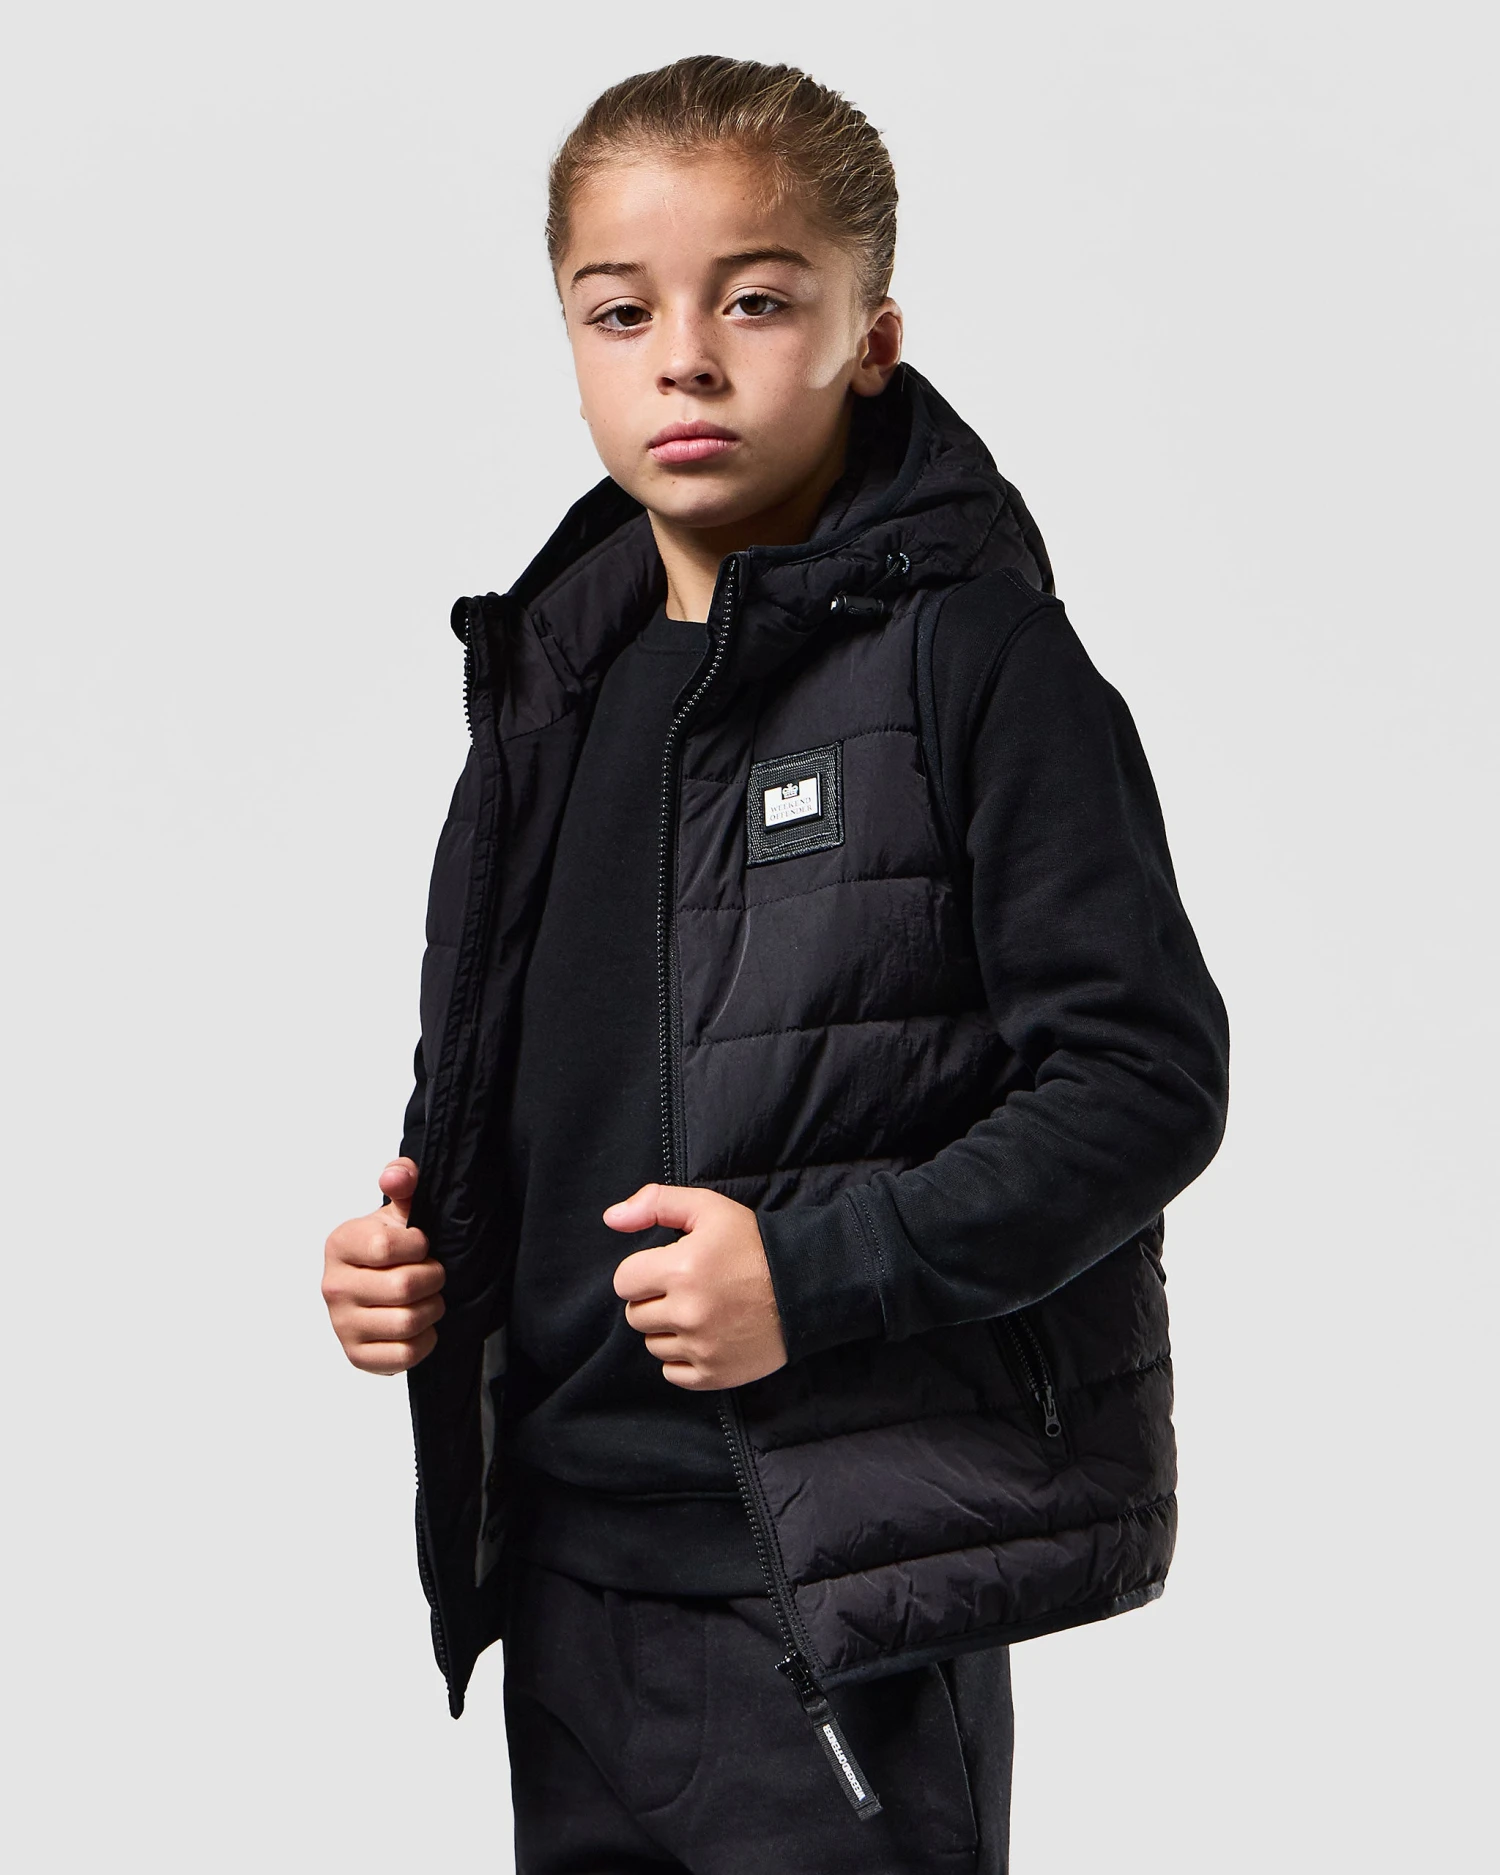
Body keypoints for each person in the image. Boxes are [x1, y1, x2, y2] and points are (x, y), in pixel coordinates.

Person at [320, 54, 1229, 1874]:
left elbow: (1143, 1084)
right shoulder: (546, 689)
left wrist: (809, 1273)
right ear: (570, 338)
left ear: (868, 338)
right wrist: (418, 1265)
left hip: (824, 1587)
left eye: (755, 300)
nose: (685, 359)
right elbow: (557, 1082)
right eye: (622, 310)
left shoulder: (977, 663)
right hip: (566, 1571)